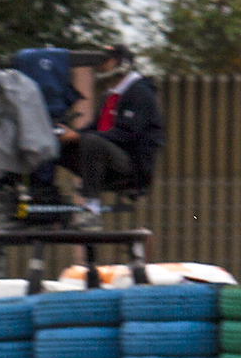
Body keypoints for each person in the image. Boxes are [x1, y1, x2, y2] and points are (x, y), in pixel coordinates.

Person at [54, 44, 164, 229]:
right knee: (57, 145)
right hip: (106, 157)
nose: (100, 64)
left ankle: (91, 210)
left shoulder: (140, 93)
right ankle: (46, 200)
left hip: (131, 165)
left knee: (91, 141)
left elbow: (127, 134)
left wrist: (79, 137)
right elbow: (96, 127)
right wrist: (70, 135)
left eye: (106, 59)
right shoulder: (112, 95)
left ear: (121, 62)